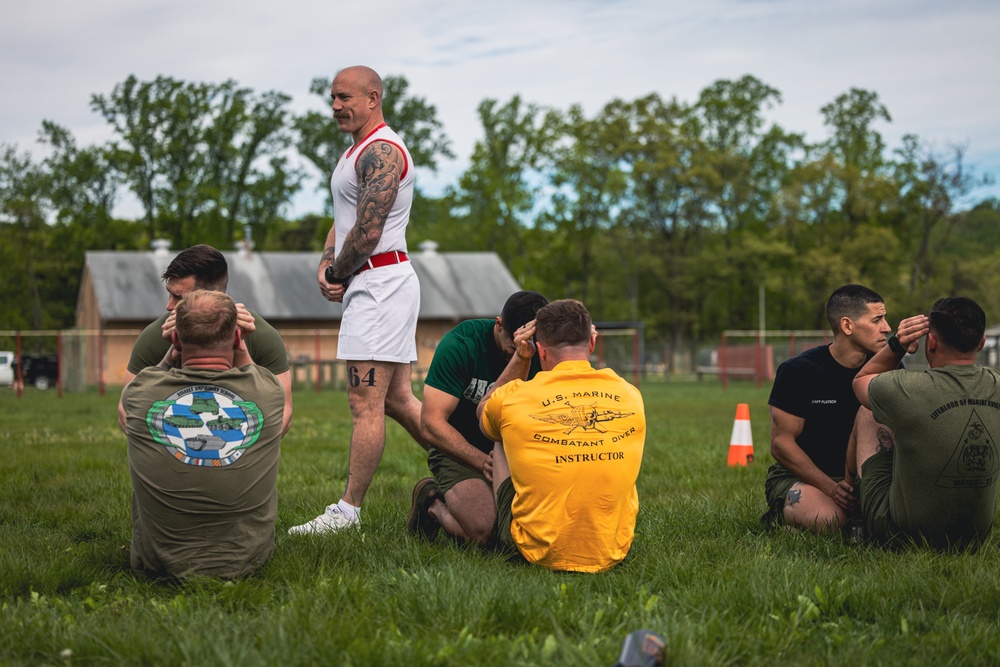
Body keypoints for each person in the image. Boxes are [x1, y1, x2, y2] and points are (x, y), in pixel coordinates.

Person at [289, 65, 426, 535]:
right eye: (332, 98)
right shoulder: (354, 154)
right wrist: (328, 262)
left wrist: (338, 271)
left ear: (373, 98)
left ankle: (347, 513)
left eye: (344, 97)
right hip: (372, 281)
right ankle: (475, 464)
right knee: (399, 401)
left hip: (381, 284)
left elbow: (367, 231)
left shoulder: (383, 151)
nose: (335, 107)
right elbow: (344, 219)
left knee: (364, 401)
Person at [122, 290, 284, 579]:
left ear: (174, 340)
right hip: (248, 561)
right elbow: (251, 369)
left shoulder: (139, 395)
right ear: (236, 339)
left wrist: (169, 356)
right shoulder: (269, 393)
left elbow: (148, 378)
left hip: (158, 564)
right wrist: (242, 345)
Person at [477, 299, 646, 572]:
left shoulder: (514, 398)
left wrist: (520, 356)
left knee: (501, 429)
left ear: (540, 351)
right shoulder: (630, 394)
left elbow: (483, 413)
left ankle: (514, 527)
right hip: (614, 550)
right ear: (591, 344)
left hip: (535, 552)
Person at [850, 297, 1000, 550]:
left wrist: (896, 344)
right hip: (975, 536)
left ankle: (854, 515)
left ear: (931, 341)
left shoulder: (905, 388)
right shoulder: (996, 384)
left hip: (902, 535)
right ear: (982, 343)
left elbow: (861, 380)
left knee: (867, 411)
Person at [407, 290, 549, 545]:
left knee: (530, 529)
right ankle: (432, 503)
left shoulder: (544, 351)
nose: (518, 355)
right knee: (486, 532)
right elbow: (431, 424)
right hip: (460, 448)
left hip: (516, 448)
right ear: (499, 324)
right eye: (511, 350)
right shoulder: (462, 344)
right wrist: (482, 460)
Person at [117, 244, 293, 436]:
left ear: (212, 296)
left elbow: (283, 413)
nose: (169, 306)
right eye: (169, 293)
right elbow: (126, 411)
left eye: (178, 297)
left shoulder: (262, 335)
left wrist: (236, 452)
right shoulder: (157, 335)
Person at [764, 284, 892, 533]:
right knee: (833, 522)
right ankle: (780, 518)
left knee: (889, 524)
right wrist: (831, 488)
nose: (886, 327)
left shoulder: (889, 370)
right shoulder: (798, 371)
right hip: (804, 478)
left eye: (885, 318)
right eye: (877, 319)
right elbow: (781, 445)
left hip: (863, 481)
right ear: (847, 326)